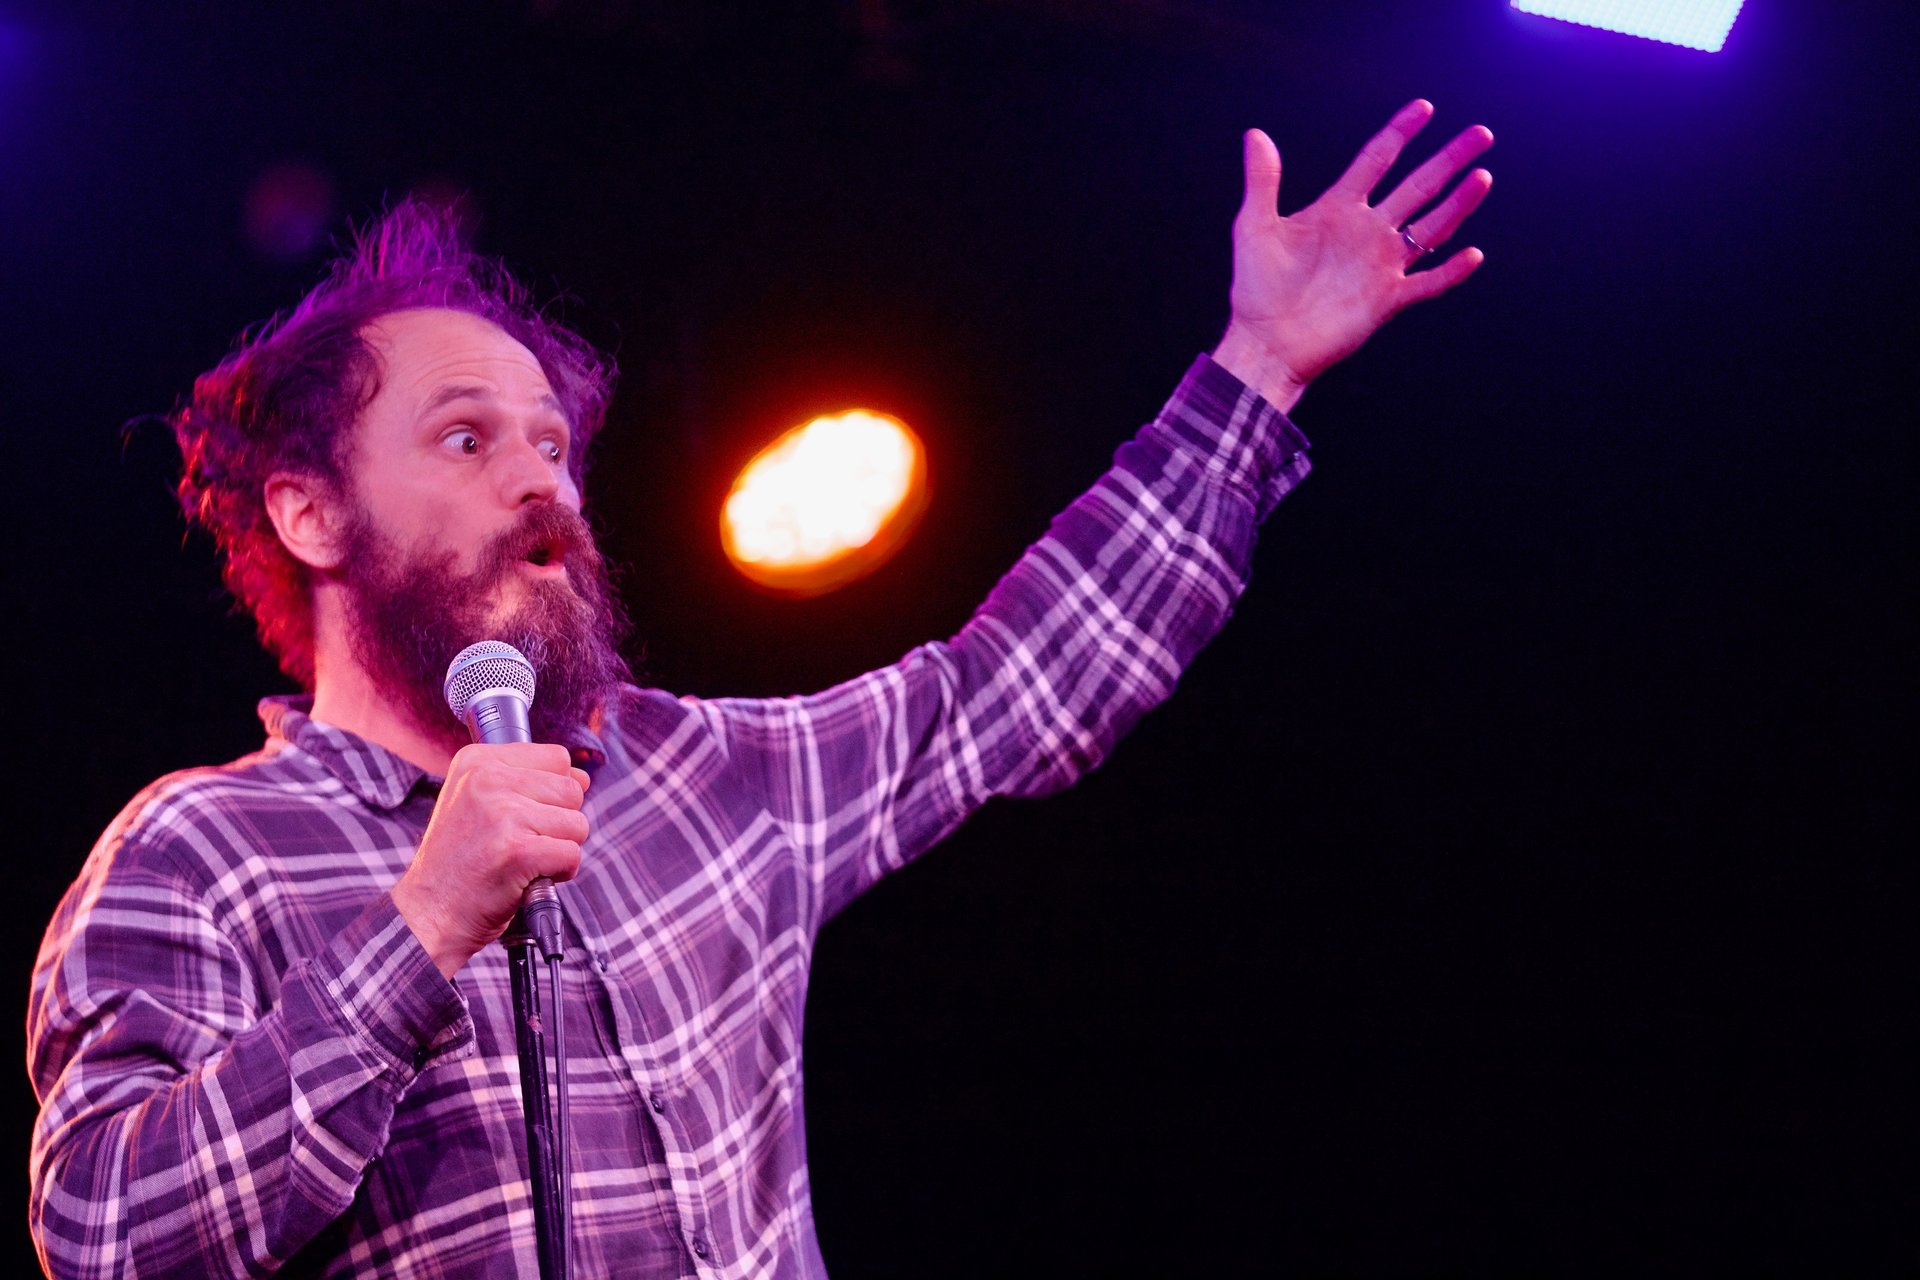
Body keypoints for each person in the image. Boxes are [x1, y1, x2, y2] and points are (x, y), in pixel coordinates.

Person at [27, 101, 1492, 1278]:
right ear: (311, 516)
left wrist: (1257, 370)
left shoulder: (702, 775)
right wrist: (419, 933)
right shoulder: (199, 853)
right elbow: (99, 1241)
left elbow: (1011, 688)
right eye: (468, 440)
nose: (542, 476)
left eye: (551, 442)